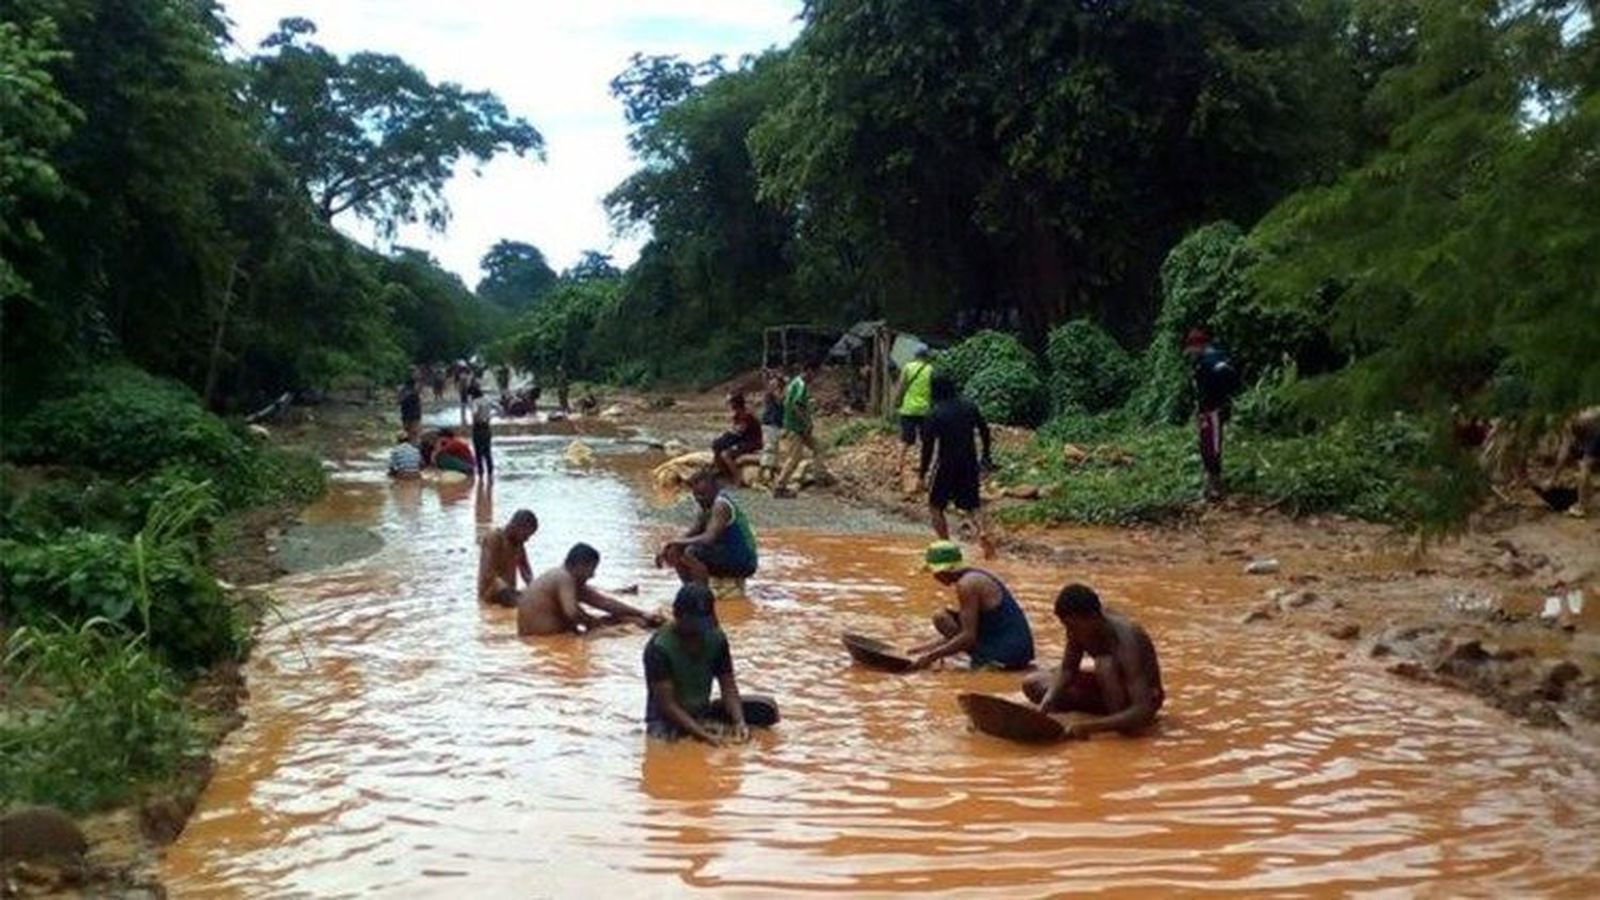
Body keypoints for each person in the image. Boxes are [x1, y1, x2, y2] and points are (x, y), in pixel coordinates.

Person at [1022, 583, 1165, 739]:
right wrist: (1047, 702)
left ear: (1094, 618)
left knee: (1105, 665)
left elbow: (1143, 708)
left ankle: (1118, 722)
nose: (1070, 633)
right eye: (1067, 627)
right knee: (1034, 683)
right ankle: (1108, 719)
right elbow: (1068, 670)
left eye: (1073, 627)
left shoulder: (1127, 639)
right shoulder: (1080, 628)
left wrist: (1090, 728)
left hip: (1142, 700)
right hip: (1109, 691)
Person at [643, 583, 777, 744]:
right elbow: (667, 705)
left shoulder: (716, 639)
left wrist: (739, 722)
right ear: (679, 616)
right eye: (693, 623)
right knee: (662, 745)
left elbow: (728, 685)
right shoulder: (658, 649)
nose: (698, 631)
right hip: (666, 719)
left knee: (767, 709)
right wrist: (705, 736)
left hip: (702, 712)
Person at [907, 541, 1034, 670]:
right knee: (941, 617)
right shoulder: (975, 575)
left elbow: (968, 637)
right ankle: (978, 656)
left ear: (944, 570)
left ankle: (986, 660)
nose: (935, 577)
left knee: (940, 618)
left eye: (935, 572)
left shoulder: (967, 585)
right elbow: (966, 633)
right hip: (1015, 649)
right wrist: (920, 650)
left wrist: (930, 657)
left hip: (1006, 654)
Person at [920, 372, 994, 556]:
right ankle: (982, 532)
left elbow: (927, 448)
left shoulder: (934, 413)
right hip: (969, 462)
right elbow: (985, 430)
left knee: (935, 506)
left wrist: (922, 473)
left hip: (945, 463)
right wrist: (985, 455)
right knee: (973, 505)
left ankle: (946, 547)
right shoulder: (969, 406)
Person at [517, 543, 664, 636]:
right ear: (580, 566)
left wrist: (642, 613)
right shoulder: (563, 578)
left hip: (555, 635)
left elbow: (604, 602)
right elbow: (572, 613)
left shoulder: (567, 577)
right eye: (591, 569)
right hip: (548, 638)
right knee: (626, 630)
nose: (593, 575)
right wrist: (597, 626)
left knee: (630, 620)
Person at [657, 469, 758, 593]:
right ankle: (690, 590)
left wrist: (676, 543)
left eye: (703, 494)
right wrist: (669, 546)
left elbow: (709, 538)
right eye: (697, 496)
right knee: (676, 550)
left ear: (715, 488)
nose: (700, 499)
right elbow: (692, 532)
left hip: (743, 561)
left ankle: (702, 595)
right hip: (726, 553)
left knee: (690, 553)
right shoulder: (705, 506)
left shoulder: (720, 505)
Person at [1183, 328, 1240, 501]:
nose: (1190, 353)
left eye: (1192, 349)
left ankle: (1216, 486)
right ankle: (1211, 483)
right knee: (1205, 445)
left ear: (1199, 345)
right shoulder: (1202, 360)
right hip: (1206, 410)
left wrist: (1217, 401)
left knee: (1212, 448)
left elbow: (1228, 376)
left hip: (1214, 410)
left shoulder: (1213, 359)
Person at [772, 360, 828, 497]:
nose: (815, 376)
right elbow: (796, 405)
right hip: (796, 428)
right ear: (809, 370)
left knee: (818, 447)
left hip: (798, 427)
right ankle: (780, 486)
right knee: (795, 457)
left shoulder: (793, 383)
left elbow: (785, 401)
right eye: (815, 373)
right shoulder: (800, 384)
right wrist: (806, 422)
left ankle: (820, 477)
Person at [1546, 406, 1600, 518]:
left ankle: (1581, 507)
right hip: (1591, 430)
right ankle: (1585, 500)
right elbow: (1563, 452)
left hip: (1596, 433)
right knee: (1583, 466)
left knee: (1585, 466)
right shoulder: (1572, 424)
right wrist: (1553, 478)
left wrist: (1553, 478)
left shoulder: (1581, 422)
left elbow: (1564, 451)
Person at [477, 509, 538, 606]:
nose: (527, 539)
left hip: (508, 593)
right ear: (517, 527)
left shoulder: (518, 543)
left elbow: (525, 569)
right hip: (491, 595)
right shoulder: (494, 538)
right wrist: (510, 592)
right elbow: (489, 575)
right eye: (526, 535)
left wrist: (533, 588)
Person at [893, 346, 935, 485]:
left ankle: (899, 466)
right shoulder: (931, 370)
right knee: (926, 441)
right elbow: (934, 391)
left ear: (915, 355)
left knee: (905, 439)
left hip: (908, 409)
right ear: (926, 356)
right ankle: (923, 470)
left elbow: (901, 387)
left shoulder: (908, 367)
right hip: (925, 411)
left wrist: (897, 402)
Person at [711, 394, 763, 486]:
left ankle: (737, 478)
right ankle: (723, 472)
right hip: (742, 440)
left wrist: (723, 440)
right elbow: (733, 431)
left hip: (751, 442)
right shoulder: (737, 414)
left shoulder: (746, 415)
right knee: (717, 448)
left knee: (726, 454)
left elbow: (737, 432)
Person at [758, 372, 784, 479]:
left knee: (773, 448)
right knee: (770, 448)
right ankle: (765, 472)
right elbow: (780, 400)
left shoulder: (771, 393)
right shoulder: (772, 394)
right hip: (771, 424)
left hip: (773, 424)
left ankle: (769, 471)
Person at [469, 385, 495, 481]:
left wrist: (476, 419)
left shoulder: (475, 402)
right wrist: (488, 417)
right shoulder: (488, 400)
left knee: (478, 453)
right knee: (487, 452)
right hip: (487, 428)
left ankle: (480, 475)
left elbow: (475, 413)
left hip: (478, 428)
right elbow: (498, 409)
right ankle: (490, 474)